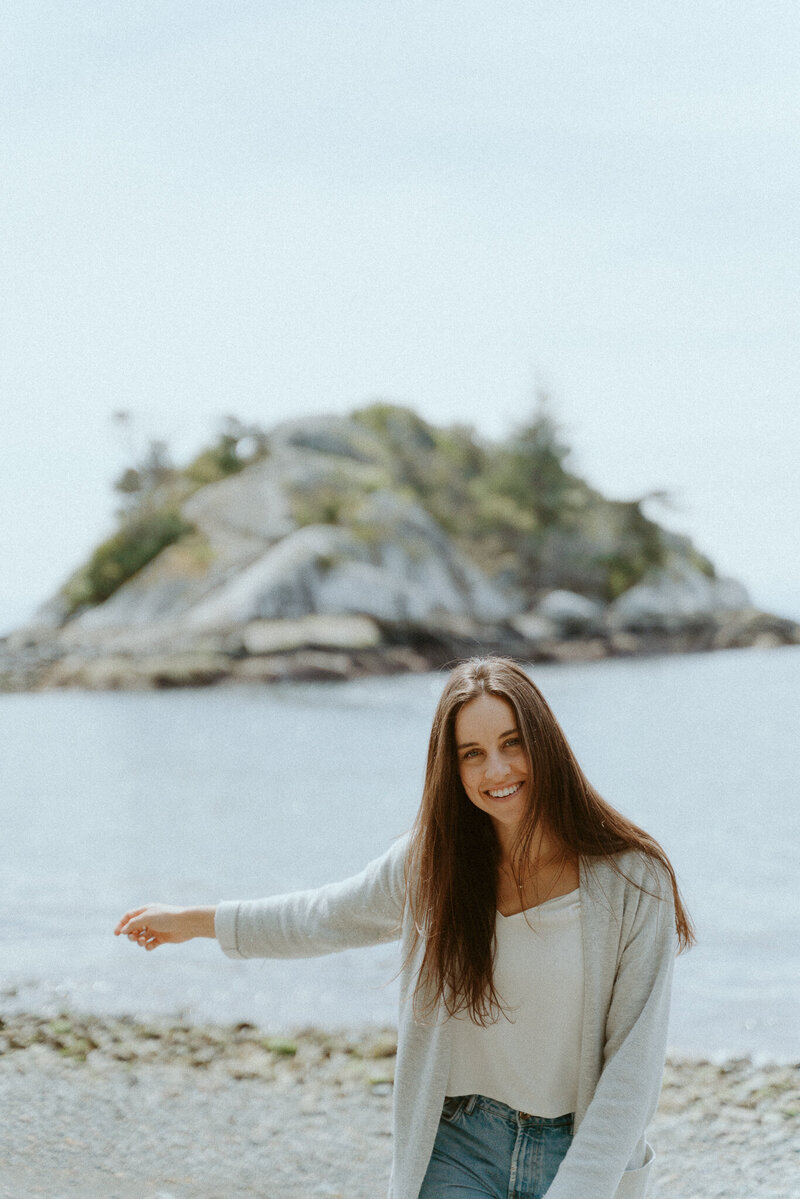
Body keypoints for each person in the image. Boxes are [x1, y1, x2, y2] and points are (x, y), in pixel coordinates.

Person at [115, 656, 694, 1199]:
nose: (497, 769)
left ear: (545, 742)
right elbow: (324, 917)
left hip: (581, 1150)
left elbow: (632, 1072)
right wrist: (196, 922)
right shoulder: (431, 864)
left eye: (512, 743)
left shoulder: (633, 879)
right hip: (457, 1148)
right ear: (453, 768)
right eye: (472, 753)